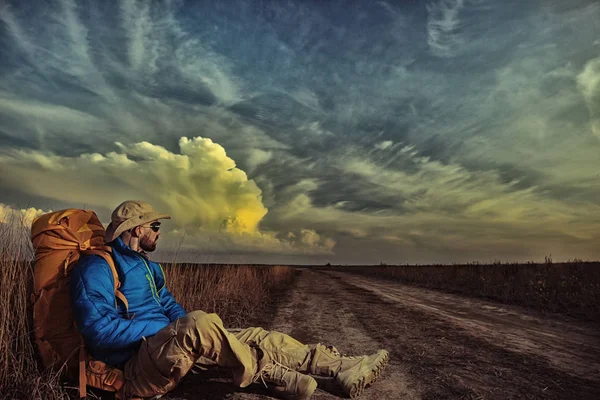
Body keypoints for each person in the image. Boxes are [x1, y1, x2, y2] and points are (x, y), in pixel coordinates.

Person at [70, 200, 389, 399]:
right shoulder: (97, 265)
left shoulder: (149, 267)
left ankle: (341, 368)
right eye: (155, 226)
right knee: (200, 324)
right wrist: (166, 329)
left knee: (259, 335)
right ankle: (266, 373)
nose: (159, 231)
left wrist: (180, 327)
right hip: (135, 368)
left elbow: (170, 308)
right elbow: (97, 330)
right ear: (137, 229)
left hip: (169, 349)